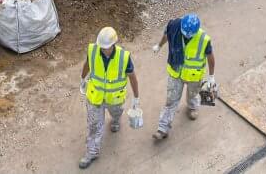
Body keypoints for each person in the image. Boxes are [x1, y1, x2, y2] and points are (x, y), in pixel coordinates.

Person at [79, 26, 140, 169]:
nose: (103, 49)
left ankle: (116, 120)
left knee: (116, 112)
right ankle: (92, 152)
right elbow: (87, 65)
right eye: (102, 46)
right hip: (96, 96)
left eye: (106, 47)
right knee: (94, 125)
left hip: (114, 98)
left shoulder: (123, 57)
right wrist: (82, 79)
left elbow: (132, 77)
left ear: (114, 44)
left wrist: (136, 97)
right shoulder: (93, 50)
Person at [151, 13, 216, 141]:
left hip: (194, 76)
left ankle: (192, 107)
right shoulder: (174, 26)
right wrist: (159, 45)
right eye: (184, 32)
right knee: (171, 101)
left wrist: (211, 76)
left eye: (189, 34)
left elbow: (210, 57)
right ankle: (162, 128)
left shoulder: (204, 39)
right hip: (176, 73)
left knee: (193, 95)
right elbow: (166, 35)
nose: (186, 35)